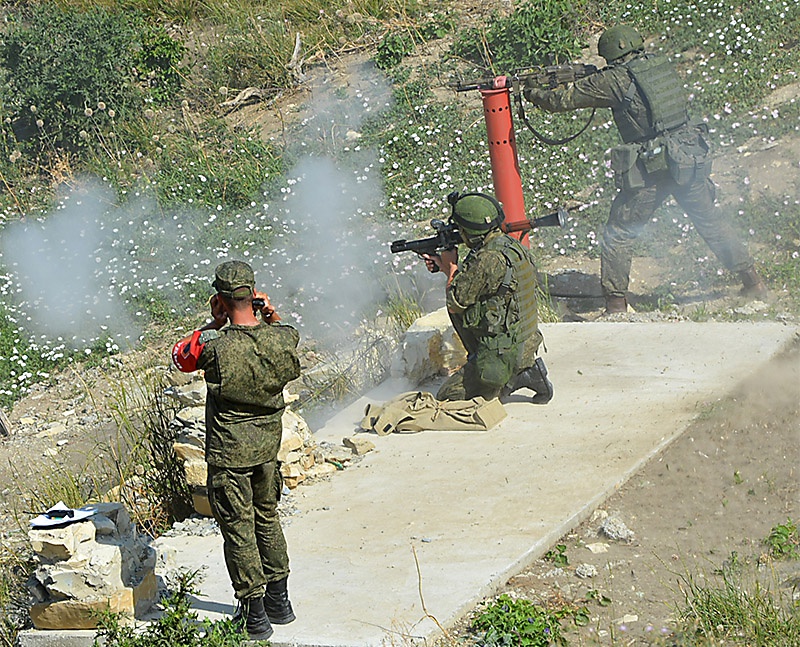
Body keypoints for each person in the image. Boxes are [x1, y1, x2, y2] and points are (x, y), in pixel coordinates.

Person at [523, 24, 767, 313]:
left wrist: (532, 92)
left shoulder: (614, 79)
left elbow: (561, 101)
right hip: (687, 157)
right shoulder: (659, 66)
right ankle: (754, 284)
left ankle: (615, 306)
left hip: (654, 168)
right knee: (710, 221)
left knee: (619, 231)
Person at [171, 260, 301, 640]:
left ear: (220, 300)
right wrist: (270, 311)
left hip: (230, 454)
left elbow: (182, 357)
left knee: (239, 531)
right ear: (254, 295)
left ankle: (255, 615)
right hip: (265, 450)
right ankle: (281, 602)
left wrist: (214, 322)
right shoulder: (280, 339)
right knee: (268, 518)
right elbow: (288, 332)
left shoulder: (216, 347)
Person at [422, 191, 553, 404]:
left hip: (506, 352)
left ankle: (518, 376)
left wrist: (451, 267)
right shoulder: (508, 246)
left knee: (449, 397)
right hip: (525, 341)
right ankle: (519, 370)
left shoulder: (487, 259)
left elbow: (455, 302)